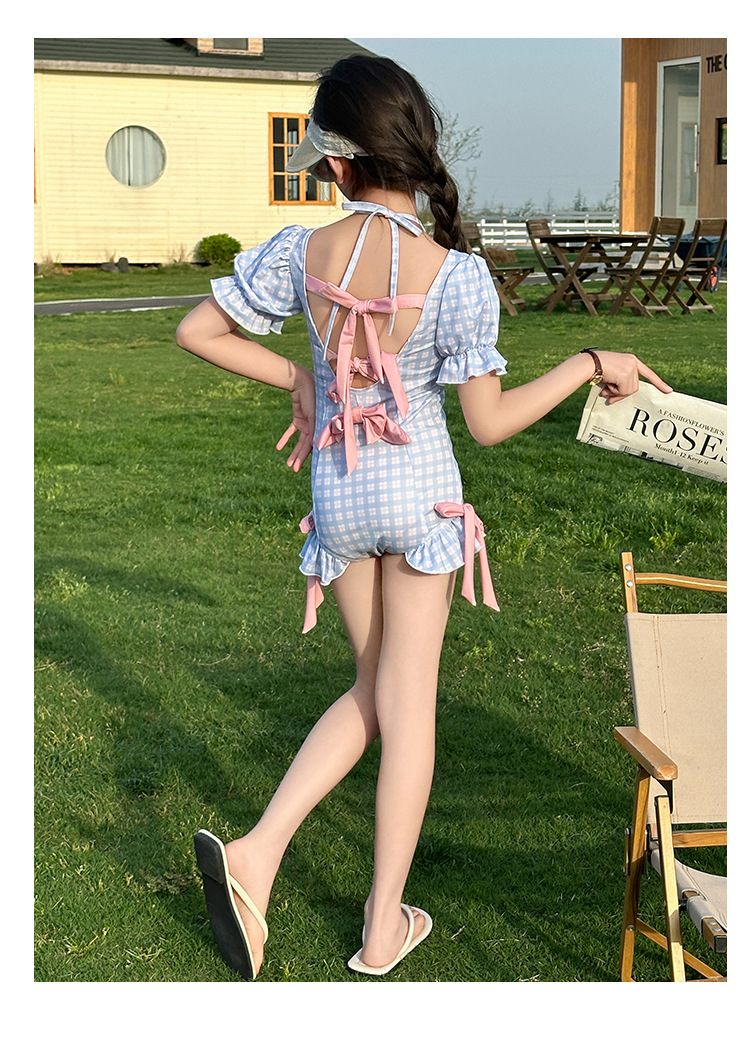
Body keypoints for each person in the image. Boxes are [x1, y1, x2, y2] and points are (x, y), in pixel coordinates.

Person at [176, 54, 672, 981]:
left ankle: (259, 852)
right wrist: (585, 361)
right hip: (420, 497)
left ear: (338, 160)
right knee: (407, 708)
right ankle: (379, 928)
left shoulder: (302, 252)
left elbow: (197, 331)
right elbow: (487, 424)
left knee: (372, 689)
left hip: (338, 500)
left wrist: (302, 378)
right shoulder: (456, 274)